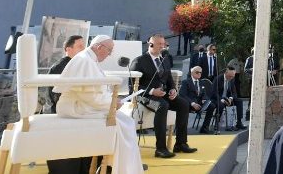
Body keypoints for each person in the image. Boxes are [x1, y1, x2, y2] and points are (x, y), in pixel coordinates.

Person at [54, 35, 144, 174]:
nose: (110, 54)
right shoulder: (85, 61)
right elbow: (89, 96)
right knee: (125, 123)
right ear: (99, 47)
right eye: (109, 50)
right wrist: (113, 103)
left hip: (84, 105)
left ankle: (119, 167)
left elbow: (94, 93)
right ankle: (118, 168)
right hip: (77, 107)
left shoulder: (89, 60)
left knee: (126, 121)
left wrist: (113, 102)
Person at [129, 34, 196, 158]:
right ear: (151, 44)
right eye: (160, 44)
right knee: (162, 105)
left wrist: (173, 90)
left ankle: (181, 143)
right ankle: (160, 149)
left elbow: (169, 79)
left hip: (163, 95)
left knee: (183, 104)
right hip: (144, 97)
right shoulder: (139, 61)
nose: (163, 46)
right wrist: (152, 91)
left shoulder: (164, 59)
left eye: (164, 44)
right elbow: (132, 87)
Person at [48, 35, 86, 112]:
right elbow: (57, 95)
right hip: (63, 113)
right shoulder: (60, 67)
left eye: (84, 46)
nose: (84, 49)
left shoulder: (75, 64)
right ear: (68, 49)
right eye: (80, 46)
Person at [181, 66, 216, 133]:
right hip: (189, 103)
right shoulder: (186, 82)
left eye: (200, 72)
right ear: (192, 73)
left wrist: (205, 99)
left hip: (199, 103)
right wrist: (193, 103)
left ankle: (204, 128)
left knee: (212, 105)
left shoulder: (201, 82)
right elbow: (182, 95)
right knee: (184, 105)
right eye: (197, 72)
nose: (199, 74)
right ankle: (182, 129)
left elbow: (204, 94)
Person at [212, 66, 245, 131]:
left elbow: (234, 92)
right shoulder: (218, 79)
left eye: (233, 76)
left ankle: (239, 122)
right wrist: (222, 100)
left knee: (239, 101)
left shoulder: (232, 79)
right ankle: (216, 123)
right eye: (230, 76)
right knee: (220, 105)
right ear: (226, 73)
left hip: (227, 99)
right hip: (218, 98)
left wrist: (231, 98)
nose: (231, 78)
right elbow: (214, 93)